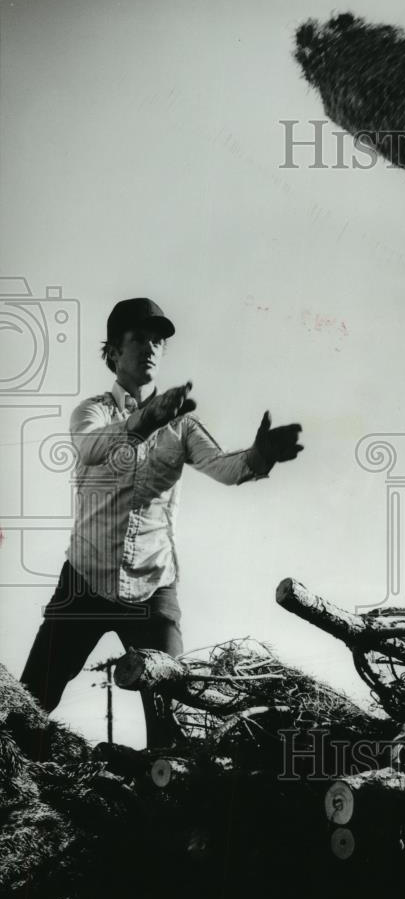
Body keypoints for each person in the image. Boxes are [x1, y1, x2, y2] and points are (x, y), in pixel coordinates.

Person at [20, 298, 303, 746]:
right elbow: (90, 448)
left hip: (153, 587)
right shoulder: (92, 411)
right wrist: (145, 419)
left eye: (158, 340)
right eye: (139, 338)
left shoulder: (182, 426)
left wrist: (261, 455)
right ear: (113, 353)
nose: (151, 347)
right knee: (29, 704)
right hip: (85, 583)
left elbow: (225, 468)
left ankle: (169, 807)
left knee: (171, 715)